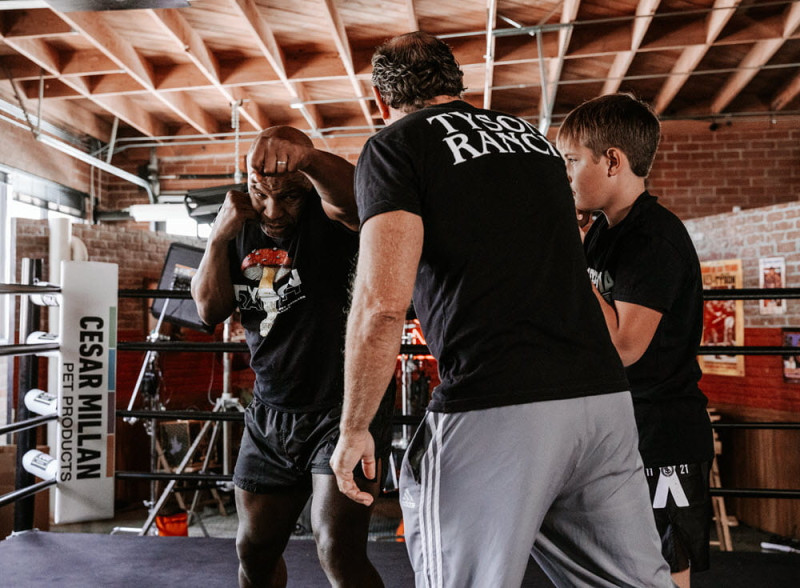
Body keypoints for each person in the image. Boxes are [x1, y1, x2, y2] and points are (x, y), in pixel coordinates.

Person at [330, 31, 673, 588]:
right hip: (601, 402)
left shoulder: (395, 145)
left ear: (380, 101)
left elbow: (382, 306)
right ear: (456, 83)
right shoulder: (533, 141)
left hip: (498, 403)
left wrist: (354, 427)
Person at [191, 125, 393, 588]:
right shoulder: (239, 225)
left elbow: (358, 199)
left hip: (342, 410)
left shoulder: (332, 217)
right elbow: (208, 310)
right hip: (271, 413)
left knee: (337, 549)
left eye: (289, 197)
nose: (273, 211)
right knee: (254, 550)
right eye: (260, 194)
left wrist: (309, 157)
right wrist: (218, 237)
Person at [557, 93, 715, 588]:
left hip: (663, 431)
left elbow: (625, 346)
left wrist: (568, 258)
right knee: (614, 562)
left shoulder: (654, 239)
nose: (565, 175)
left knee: (666, 567)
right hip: (618, 423)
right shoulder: (605, 232)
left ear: (612, 161)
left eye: (572, 161)